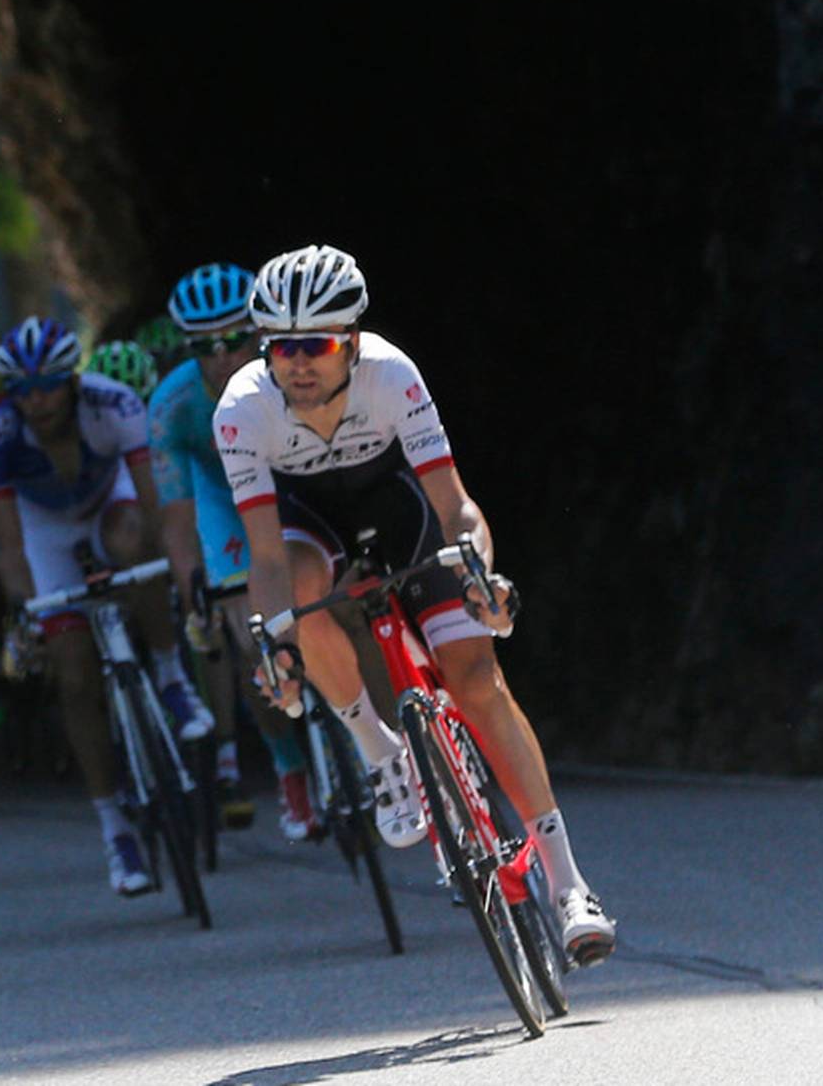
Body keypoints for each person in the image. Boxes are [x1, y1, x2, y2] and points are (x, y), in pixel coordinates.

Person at [218, 246, 618, 964]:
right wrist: (276, 642)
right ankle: (380, 751)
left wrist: (478, 576)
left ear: (354, 342)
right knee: (301, 600)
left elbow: (455, 506)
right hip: (308, 524)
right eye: (282, 346)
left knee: (474, 679)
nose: (299, 362)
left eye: (318, 344)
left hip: (403, 510)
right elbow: (268, 558)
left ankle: (568, 883)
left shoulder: (392, 375)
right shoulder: (241, 410)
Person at [0, 315, 213, 897]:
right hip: (44, 528)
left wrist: (170, 573)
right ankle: (115, 829)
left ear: (73, 381)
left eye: (50, 385)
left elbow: (156, 507)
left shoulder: (117, 405)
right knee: (75, 673)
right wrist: (32, 609)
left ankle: (169, 673)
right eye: (24, 391)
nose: (38, 401)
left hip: (113, 502)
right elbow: (8, 547)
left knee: (135, 544)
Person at [150, 262, 318, 839]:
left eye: (234, 340)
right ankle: (291, 768)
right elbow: (176, 517)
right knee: (252, 637)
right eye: (204, 346)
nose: (222, 356)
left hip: (294, 476)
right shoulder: (172, 406)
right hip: (222, 500)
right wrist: (192, 583)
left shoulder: (294, 374)